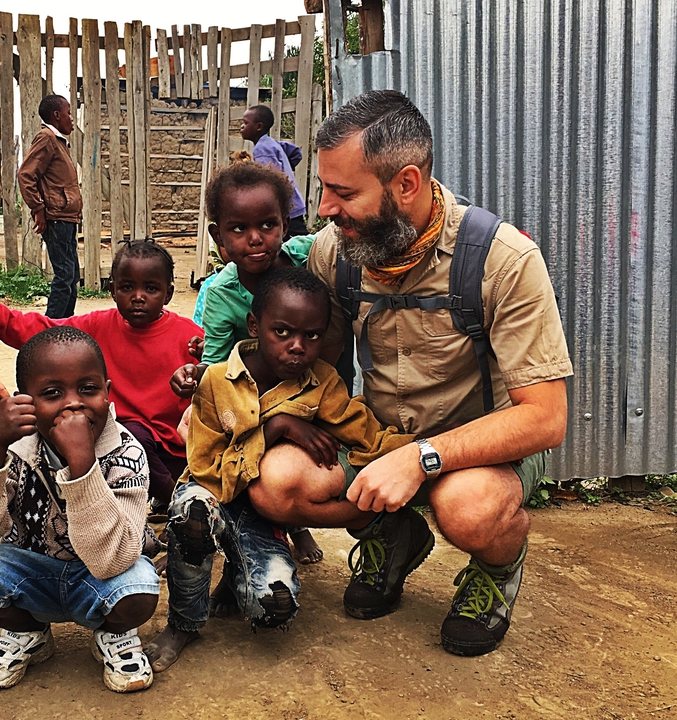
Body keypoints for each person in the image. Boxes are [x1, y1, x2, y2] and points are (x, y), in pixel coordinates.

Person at [251, 89, 571, 657]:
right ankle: (392, 535)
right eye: (324, 188)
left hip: (479, 454)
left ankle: (497, 571)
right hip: (378, 440)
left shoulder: (503, 260)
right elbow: (315, 368)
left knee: (467, 507)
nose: (324, 207)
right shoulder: (335, 251)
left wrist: (420, 458)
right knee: (276, 483)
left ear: (406, 184)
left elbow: (545, 420)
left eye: (343, 192)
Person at [145, 266, 415, 671]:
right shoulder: (216, 382)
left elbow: (363, 430)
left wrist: (422, 453)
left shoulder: (321, 383)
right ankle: (183, 623)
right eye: (283, 332)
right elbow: (208, 472)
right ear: (255, 325)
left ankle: (240, 579)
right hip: (210, 496)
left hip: (259, 511)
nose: (297, 347)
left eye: (312, 336)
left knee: (275, 608)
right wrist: (276, 429)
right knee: (193, 517)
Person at [0, 327, 159, 692]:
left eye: (88, 389)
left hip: (99, 580)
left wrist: (82, 466)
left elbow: (113, 562)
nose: (74, 404)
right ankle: (29, 632)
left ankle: (112, 635)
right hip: (32, 575)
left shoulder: (127, 453)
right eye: (52, 393)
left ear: (108, 392)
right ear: (26, 402)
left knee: (141, 585)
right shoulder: (13, 450)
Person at [0, 240, 202, 507]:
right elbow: (43, 332)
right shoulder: (96, 326)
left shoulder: (189, 337)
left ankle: (181, 503)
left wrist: (199, 374)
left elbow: (218, 374)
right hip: (120, 443)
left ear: (168, 293)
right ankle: (178, 505)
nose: (138, 296)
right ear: (112, 290)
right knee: (134, 436)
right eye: (127, 287)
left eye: (150, 288)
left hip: (176, 445)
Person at [170, 161, 322, 564]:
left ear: (285, 225)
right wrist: (196, 377)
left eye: (268, 225)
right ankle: (222, 535)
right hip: (253, 394)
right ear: (217, 236)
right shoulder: (222, 293)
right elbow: (219, 365)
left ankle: (296, 525)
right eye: (238, 229)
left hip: (312, 385)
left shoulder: (310, 258)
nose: (256, 239)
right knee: (216, 437)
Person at [17, 94, 82, 318]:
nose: (72, 119)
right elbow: (26, 175)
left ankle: (65, 326)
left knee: (71, 276)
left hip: (66, 218)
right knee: (64, 276)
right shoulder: (46, 138)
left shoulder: (58, 142)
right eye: (69, 113)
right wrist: (38, 210)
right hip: (57, 218)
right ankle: (50, 331)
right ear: (56, 115)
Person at [240, 104, 308, 238]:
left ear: (258, 127)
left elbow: (268, 181)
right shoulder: (272, 143)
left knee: (301, 244)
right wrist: (286, 168)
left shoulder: (261, 149)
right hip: (293, 203)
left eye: (245, 123)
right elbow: (296, 153)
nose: (241, 127)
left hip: (286, 206)